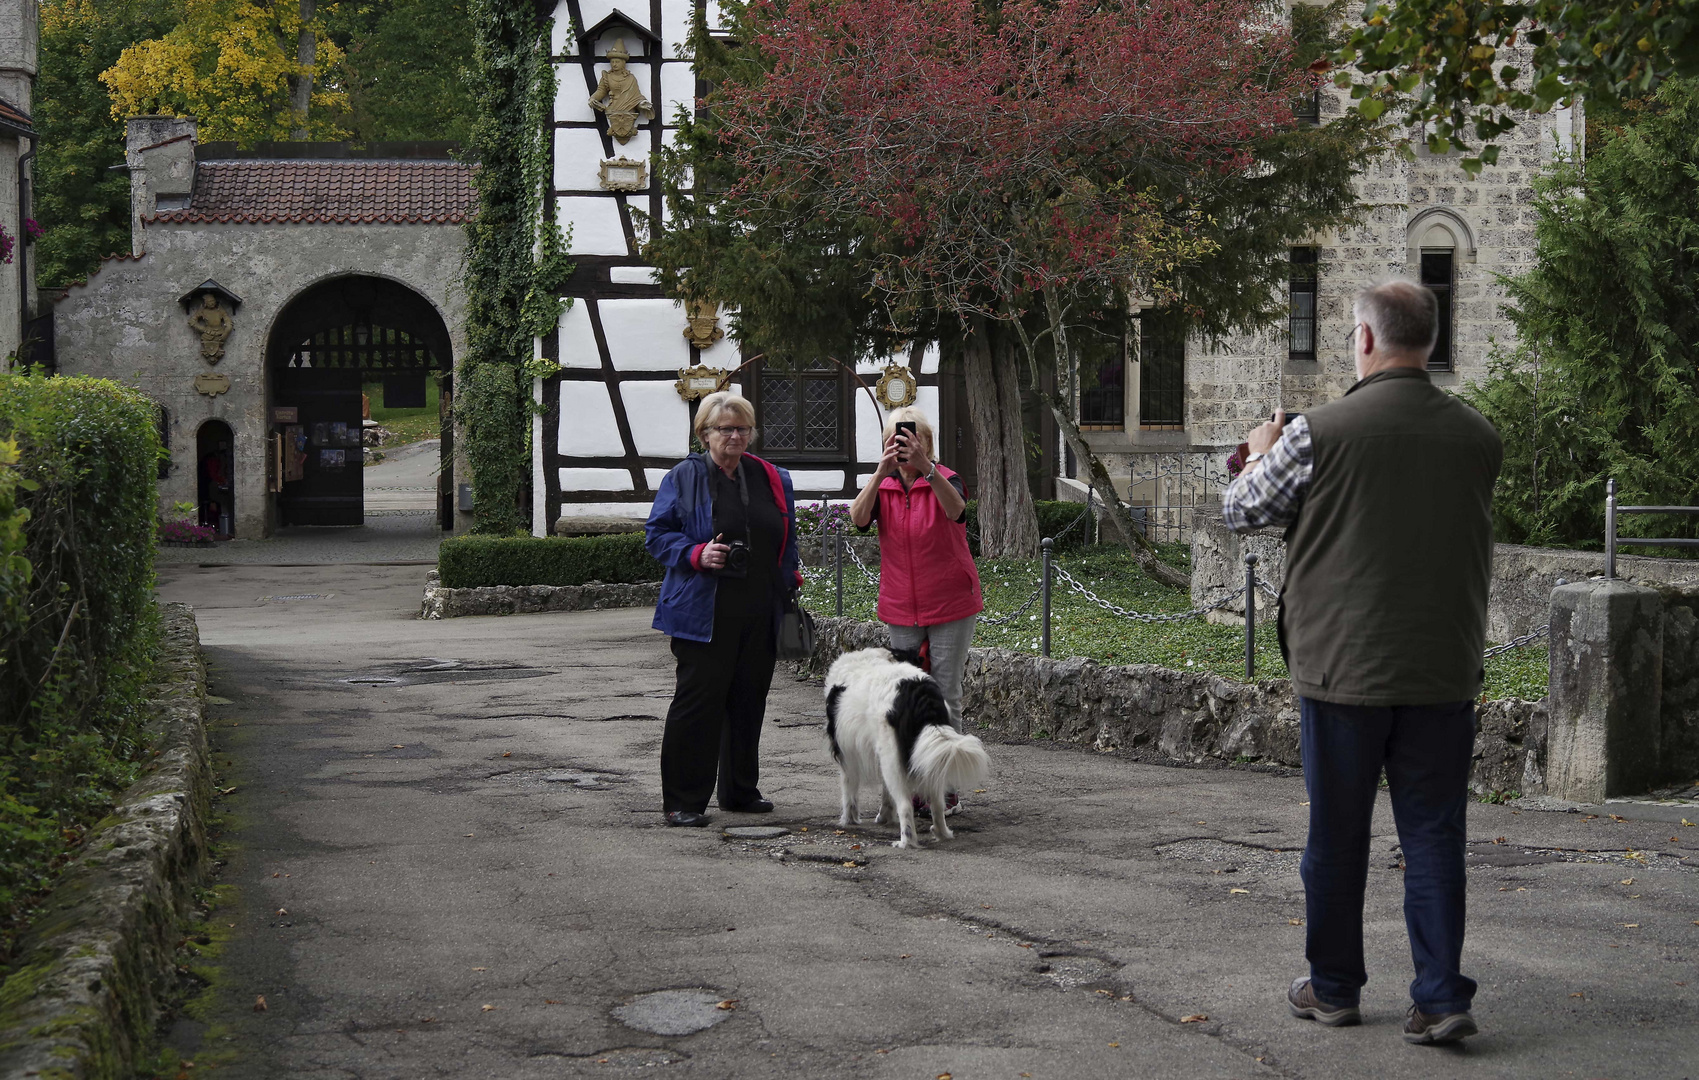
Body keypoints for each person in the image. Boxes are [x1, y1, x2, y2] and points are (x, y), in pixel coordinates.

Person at [1221, 279, 1502, 1045]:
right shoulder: (1479, 436)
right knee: (1434, 837)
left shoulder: (1317, 431)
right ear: (1432, 342)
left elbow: (1243, 511)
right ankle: (1441, 996)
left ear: (1365, 341)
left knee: (1336, 836)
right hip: (1442, 667)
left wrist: (1256, 453)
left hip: (1341, 670)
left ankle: (1336, 987)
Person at [645, 391, 801, 828]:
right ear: (704, 434)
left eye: (742, 428)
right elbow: (657, 535)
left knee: (749, 701)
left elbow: (785, 535)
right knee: (699, 704)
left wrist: (789, 581)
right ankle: (684, 800)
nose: (735, 436)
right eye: (725, 429)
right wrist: (696, 554)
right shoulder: (684, 476)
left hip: (760, 606)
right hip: (703, 609)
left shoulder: (771, 476)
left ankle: (739, 791)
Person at [847, 406, 983, 813]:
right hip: (901, 606)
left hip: (951, 601)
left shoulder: (946, 478)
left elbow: (956, 509)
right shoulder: (884, 485)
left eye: (912, 437)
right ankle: (915, 779)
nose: (904, 444)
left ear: (927, 442)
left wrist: (927, 469)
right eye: (896, 438)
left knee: (944, 693)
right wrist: (879, 472)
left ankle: (944, 784)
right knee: (911, 694)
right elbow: (857, 519)